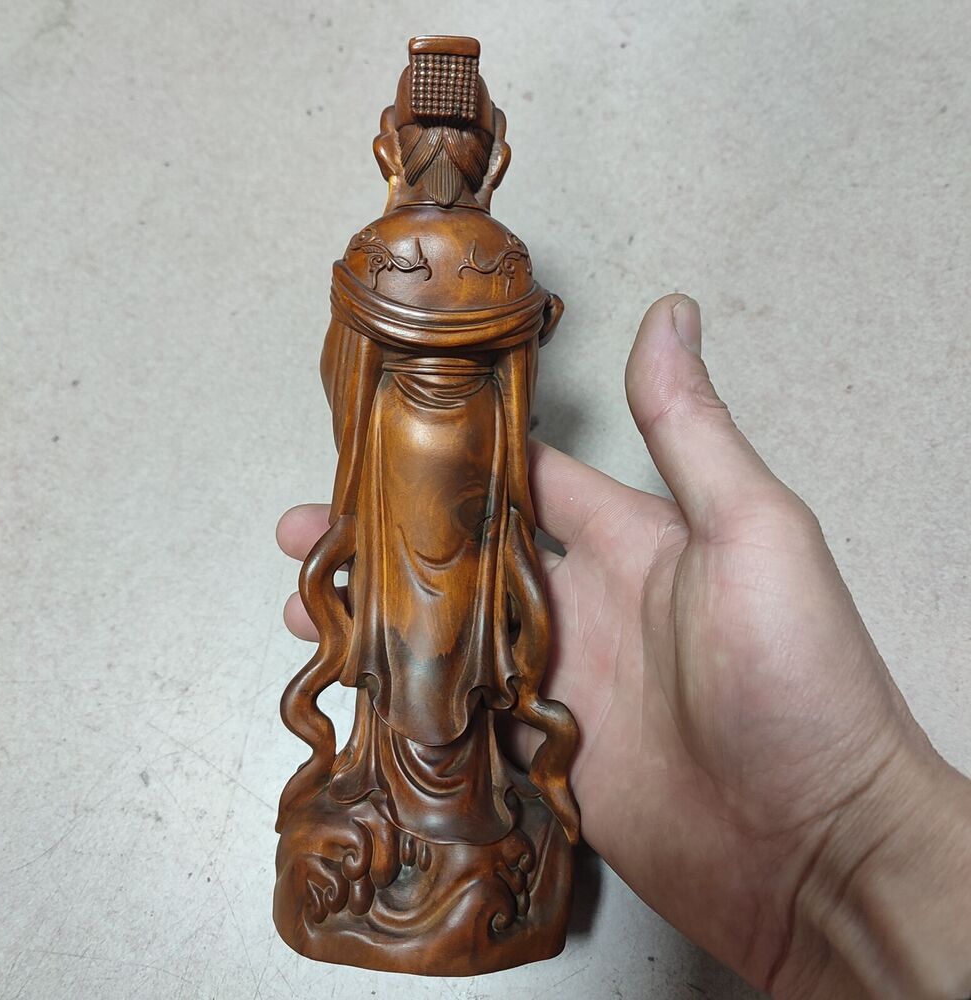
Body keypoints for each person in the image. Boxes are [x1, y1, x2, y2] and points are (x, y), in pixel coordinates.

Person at [277, 294, 970, 996]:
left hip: (475, 500)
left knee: (467, 653)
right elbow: (346, 359)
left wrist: (857, 817)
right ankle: (401, 799)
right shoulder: (379, 297)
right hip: (396, 495)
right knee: (403, 659)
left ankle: (458, 812)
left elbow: (496, 354)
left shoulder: (496, 306)